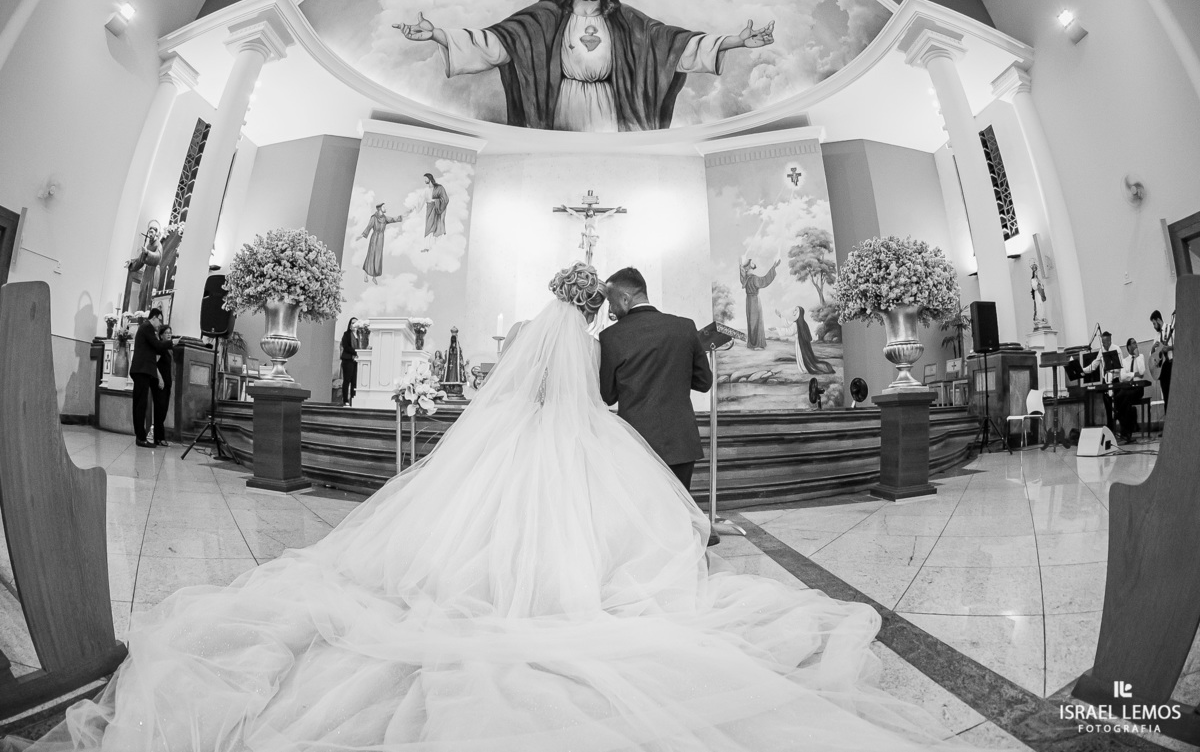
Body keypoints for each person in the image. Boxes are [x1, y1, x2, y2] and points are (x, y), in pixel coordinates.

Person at [21, 264, 972, 752]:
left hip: (553, 436)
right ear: (590, 314)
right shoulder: (625, 361)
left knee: (479, 528)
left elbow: (574, 393)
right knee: (608, 536)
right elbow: (629, 394)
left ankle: (502, 595)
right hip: (634, 443)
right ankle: (584, 598)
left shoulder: (544, 367)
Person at [394, 0, 774, 132]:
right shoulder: (544, 17)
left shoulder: (627, 22)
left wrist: (735, 42)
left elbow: (673, 45)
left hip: (611, 106)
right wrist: (439, 34)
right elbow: (497, 42)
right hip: (562, 104)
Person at [599, 266, 711, 492]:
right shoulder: (685, 327)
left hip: (637, 444)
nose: (610, 310)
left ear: (625, 298)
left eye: (611, 303)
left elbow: (608, 396)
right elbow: (704, 382)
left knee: (645, 517)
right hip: (680, 442)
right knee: (680, 514)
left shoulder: (610, 336)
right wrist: (673, 374)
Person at [129, 307, 173, 449]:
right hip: (141, 370)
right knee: (140, 405)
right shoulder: (147, 327)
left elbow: (154, 347)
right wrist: (173, 342)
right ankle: (141, 438)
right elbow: (157, 345)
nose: (160, 323)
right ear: (154, 317)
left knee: (139, 404)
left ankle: (140, 436)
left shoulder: (146, 328)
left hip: (142, 370)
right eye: (159, 320)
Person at [1113, 336, 1148, 443]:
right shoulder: (1124, 361)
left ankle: (1124, 428)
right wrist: (1134, 374)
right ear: (1128, 347)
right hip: (1128, 387)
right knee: (1120, 398)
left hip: (1138, 388)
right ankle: (1127, 431)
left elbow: (1142, 372)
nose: (1136, 344)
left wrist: (1137, 357)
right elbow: (1122, 377)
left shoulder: (1140, 357)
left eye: (1136, 343)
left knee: (1124, 398)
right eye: (1133, 343)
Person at [1081, 331, 1118, 430]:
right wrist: (1083, 370)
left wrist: (1112, 369)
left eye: (1105, 342)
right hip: (1105, 380)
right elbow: (1094, 365)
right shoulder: (1101, 351)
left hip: (1115, 379)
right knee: (1107, 403)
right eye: (1102, 342)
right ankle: (1110, 426)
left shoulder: (1116, 349)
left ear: (1109, 341)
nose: (1103, 344)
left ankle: (1117, 424)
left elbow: (1120, 366)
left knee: (1116, 404)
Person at [739, 258, 778, 350]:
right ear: (749, 266)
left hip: (750, 300)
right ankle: (755, 344)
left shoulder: (746, 278)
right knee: (755, 321)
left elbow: (762, 280)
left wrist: (740, 266)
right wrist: (773, 267)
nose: (754, 263)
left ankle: (755, 343)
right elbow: (764, 280)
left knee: (754, 321)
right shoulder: (752, 278)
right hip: (754, 301)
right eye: (751, 262)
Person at [124, 221, 162, 313]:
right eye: (149, 232)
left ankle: (148, 314)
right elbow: (141, 259)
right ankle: (140, 314)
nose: (150, 234)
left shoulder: (158, 244)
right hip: (147, 271)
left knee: (150, 293)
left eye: (152, 232)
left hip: (154, 271)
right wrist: (131, 262)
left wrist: (147, 253)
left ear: (156, 233)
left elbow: (158, 256)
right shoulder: (148, 245)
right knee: (142, 292)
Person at [360, 203, 402, 284]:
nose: (385, 208)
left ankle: (374, 277)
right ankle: (365, 274)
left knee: (378, 257)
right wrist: (362, 235)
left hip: (381, 239)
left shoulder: (384, 218)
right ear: (379, 208)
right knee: (371, 255)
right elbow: (368, 227)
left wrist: (402, 217)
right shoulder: (374, 218)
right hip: (374, 237)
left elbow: (393, 219)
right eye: (383, 207)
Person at [151, 325, 174, 448]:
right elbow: (154, 364)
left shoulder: (168, 349)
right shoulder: (160, 348)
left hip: (167, 383)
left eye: (170, 332)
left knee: (163, 409)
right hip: (160, 383)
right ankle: (159, 438)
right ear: (161, 335)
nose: (169, 335)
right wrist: (160, 379)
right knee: (160, 410)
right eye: (166, 333)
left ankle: (158, 437)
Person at [1150, 309, 1175, 410]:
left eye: (1154, 323)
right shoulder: (1156, 336)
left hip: (1171, 365)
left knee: (1172, 394)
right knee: (1165, 395)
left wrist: (1168, 348)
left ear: (1159, 320)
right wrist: (1152, 349)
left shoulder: (1170, 329)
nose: (1154, 326)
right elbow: (1153, 356)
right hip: (1162, 369)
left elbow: (1179, 345)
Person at [422, 173, 449, 242]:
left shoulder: (439, 188)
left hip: (438, 209)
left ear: (429, 178)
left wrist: (436, 201)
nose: (424, 180)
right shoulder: (426, 189)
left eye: (425, 178)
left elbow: (445, 199)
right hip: (430, 209)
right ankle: (428, 245)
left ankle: (438, 244)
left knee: (438, 226)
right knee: (429, 227)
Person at [340, 318, 359, 407]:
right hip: (347, 360)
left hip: (357, 361)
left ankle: (353, 399)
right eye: (352, 323)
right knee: (347, 381)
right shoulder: (346, 334)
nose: (354, 325)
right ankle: (345, 400)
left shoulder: (360, 335)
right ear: (350, 325)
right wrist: (356, 352)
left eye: (356, 323)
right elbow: (346, 346)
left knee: (355, 381)